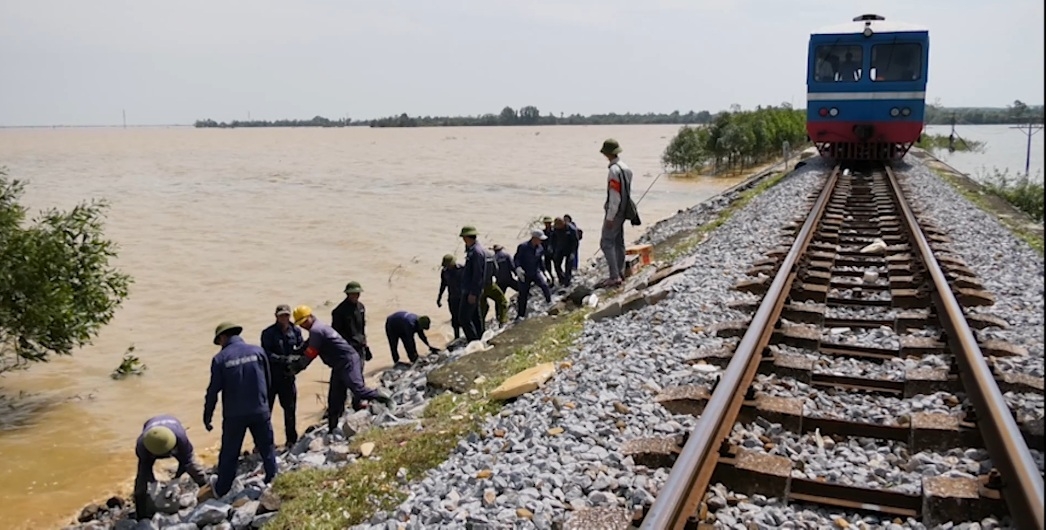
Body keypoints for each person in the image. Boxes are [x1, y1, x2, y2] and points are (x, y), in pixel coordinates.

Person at [290, 306, 393, 434]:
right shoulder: (319, 328)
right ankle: (332, 429)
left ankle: (386, 399)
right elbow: (308, 344)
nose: (303, 326)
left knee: (358, 390)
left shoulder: (317, 330)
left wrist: (297, 367)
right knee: (335, 398)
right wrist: (295, 352)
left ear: (311, 317)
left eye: (304, 322)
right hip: (338, 365)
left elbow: (311, 353)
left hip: (348, 361)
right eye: (301, 324)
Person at [203, 322, 278, 497]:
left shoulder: (220, 359)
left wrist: (207, 416)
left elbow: (213, 391)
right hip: (260, 409)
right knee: (267, 447)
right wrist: (264, 404)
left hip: (234, 415)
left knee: (230, 452)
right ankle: (273, 479)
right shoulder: (257, 351)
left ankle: (222, 489)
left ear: (222, 338)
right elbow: (268, 380)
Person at [133, 415, 209, 520]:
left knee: (193, 467)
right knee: (141, 482)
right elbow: (145, 467)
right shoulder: (142, 445)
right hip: (151, 432)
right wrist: (153, 482)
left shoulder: (181, 438)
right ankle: (140, 516)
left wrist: (176, 479)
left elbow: (185, 461)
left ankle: (207, 491)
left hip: (173, 426)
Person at [259, 305, 304, 447]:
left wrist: (298, 363)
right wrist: (283, 359)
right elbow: (265, 353)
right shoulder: (268, 333)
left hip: (288, 377)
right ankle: (263, 442)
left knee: (290, 410)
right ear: (276, 316)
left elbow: (301, 348)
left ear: (289, 316)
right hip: (271, 378)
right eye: (281, 315)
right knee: (265, 412)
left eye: (286, 315)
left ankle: (291, 441)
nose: (284, 318)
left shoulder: (296, 331)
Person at [599, 138, 632, 288]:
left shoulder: (613, 171)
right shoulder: (626, 168)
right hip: (625, 209)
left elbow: (614, 196)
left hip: (616, 210)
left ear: (607, 154)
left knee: (606, 242)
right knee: (619, 241)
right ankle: (620, 272)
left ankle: (614, 276)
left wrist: (610, 216)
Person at [514, 230, 552, 319]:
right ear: (534, 238)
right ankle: (520, 315)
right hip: (524, 274)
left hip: (535, 272)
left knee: (544, 286)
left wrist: (545, 272)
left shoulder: (540, 248)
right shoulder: (523, 247)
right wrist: (518, 268)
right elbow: (516, 259)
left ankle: (550, 304)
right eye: (539, 239)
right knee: (523, 294)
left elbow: (540, 261)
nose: (541, 241)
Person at [458, 226, 486, 341]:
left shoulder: (476, 252)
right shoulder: (472, 250)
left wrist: (473, 293)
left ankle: (473, 340)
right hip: (471, 289)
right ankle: (480, 338)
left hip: (471, 290)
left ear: (466, 238)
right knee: (475, 316)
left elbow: (478, 274)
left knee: (463, 318)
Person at [479, 247, 509, 329]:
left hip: (478, 288)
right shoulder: (491, 257)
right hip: (489, 285)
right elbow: (496, 270)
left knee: (483, 307)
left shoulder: (475, 258)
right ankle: (503, 321)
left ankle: (481, 327)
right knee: (502, 301)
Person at [437, 254, 464, 340]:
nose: (447, 267)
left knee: (465, 317)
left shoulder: (462, 269)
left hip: (463, 297)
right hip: (452, 297)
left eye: (448, 265)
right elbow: (443, 285)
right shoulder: (445, 272)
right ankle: (457, 337)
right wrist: (439, 298)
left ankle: (469, 336)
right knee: (454, 318)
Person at [551, 217, 580, 287]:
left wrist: (573, 253)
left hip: (569, 249)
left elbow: (576, 242)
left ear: (563, 224)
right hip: (560, 249)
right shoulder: (556, 229)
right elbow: (553, 239)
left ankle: (567, 282)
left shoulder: (571, 229)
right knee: (556, 264)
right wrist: (553, 248)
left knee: (568, 266)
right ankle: (561, 279)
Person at [541, 216, 555, 282]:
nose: (548, 224)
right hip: (546, 252)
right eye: (546, 223)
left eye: (549, 223)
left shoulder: (555, 231)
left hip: (555, 252)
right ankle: (551, 278)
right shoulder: (542, 232)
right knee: (547, 267)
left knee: (557, 266)